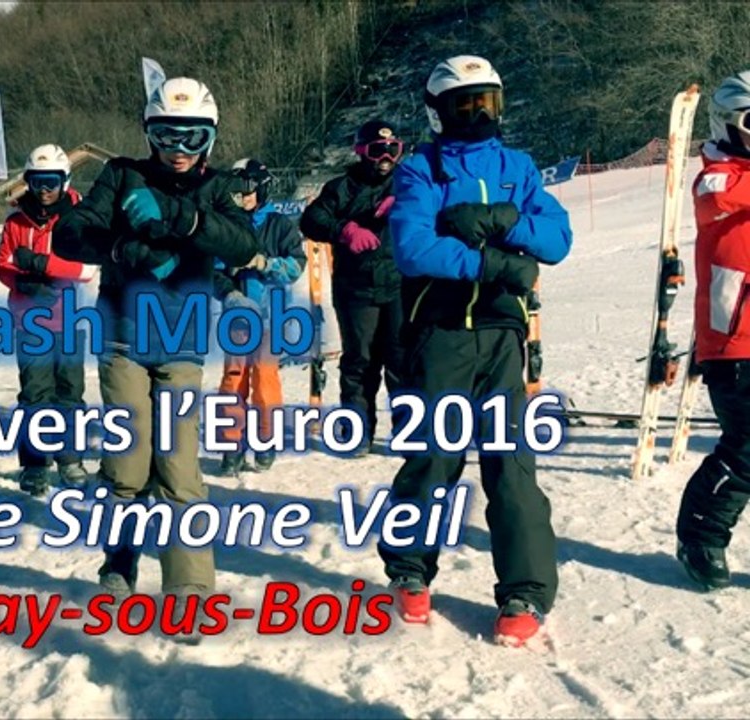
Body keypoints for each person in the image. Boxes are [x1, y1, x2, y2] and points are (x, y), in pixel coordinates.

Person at [380, 55, 571, 647]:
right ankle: (409, 567)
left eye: (486, 102)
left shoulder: (518, 167)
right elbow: (414, 247)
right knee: (436, 455)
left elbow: (557, 239)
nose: (477, 114)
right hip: (441, 333)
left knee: (510, 463)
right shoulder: (420, 170)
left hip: (502, 337)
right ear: (437, 113)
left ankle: (526, 588)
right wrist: (491, 263)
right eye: (464, 105)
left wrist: (503, 220)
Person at [52, 77, 258, 610]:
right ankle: (120, 555)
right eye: (168, 137)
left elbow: (242, 242)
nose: (180, 151)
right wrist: (121, 248)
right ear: (150, 135)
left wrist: (186, 220)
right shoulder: (122, 175)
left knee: (180, 467)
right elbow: (70, 233)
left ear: (210, 140)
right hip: (122, 337)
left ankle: (189, 587)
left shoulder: (216, 189)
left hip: (182, 345)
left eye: (193, 138)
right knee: (128, 465)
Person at [675, 70, 750, 591]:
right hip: (734, 340)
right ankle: (700, 534)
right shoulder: (716, 177)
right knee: (747, 446)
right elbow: (722, 198)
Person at [299, 120, 406, 455]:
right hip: (356, 289)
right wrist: (344, 229)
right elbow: (311, 220)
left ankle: (409, 432)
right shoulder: (341, 188)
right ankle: (357, 430)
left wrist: (406, 205)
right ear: (362, 152)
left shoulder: (407, 183)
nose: (385, 157)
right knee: (361, 360)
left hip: (401, 286)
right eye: (377, 150)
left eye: (393, 149)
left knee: (403, 361)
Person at [0, 144, 96, 495]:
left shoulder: (79, 217)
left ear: (64, 180)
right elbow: (4, 263)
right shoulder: (16, 221)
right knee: (35, 395)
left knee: (70, 393)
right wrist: (20, 281)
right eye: (38, 181)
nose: (45, 189)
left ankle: (70, 458)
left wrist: (40, 265)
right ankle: (35, 465)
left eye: (52, 181)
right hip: (30, 323)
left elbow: (86, 269)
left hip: (69, 321)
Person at [213, 158, 305, 474]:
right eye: (236, 190)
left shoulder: (280, 225)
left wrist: (264, 264)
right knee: (233, 380)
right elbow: (213, 269)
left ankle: (265, 438)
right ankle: (231, 446)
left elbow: (296, 266)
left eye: (248, 189)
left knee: (265, 381)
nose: (242, 196)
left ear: (262, 188)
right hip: (238, 319)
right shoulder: (226, 225)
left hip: (268, 318)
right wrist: (230, 293)